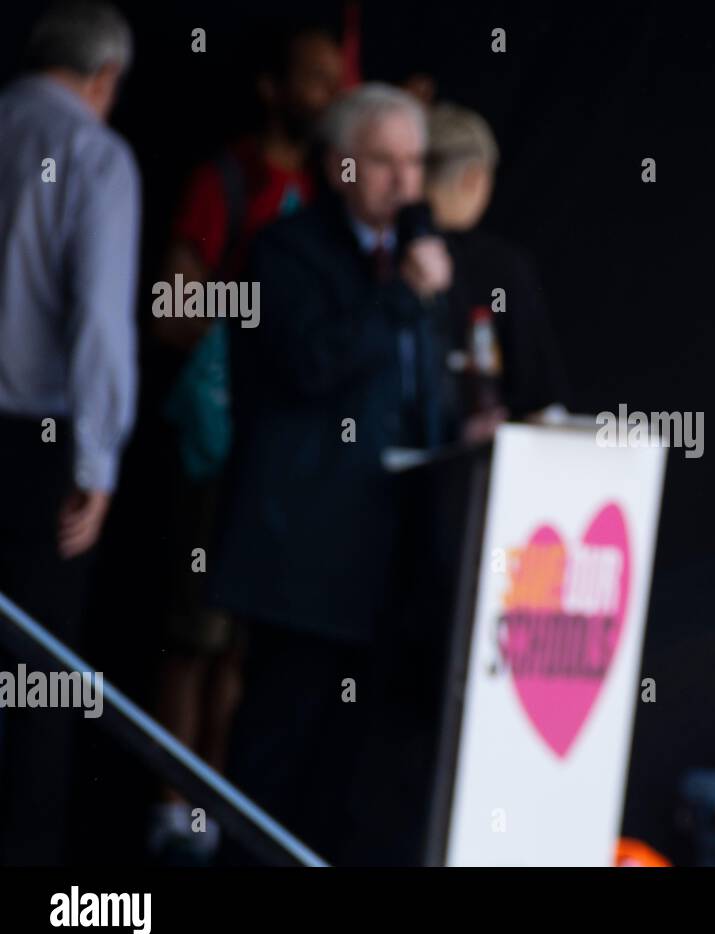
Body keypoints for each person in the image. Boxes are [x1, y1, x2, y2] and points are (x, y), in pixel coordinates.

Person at [209, 83, 457, 864]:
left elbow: (420, 390)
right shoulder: (287, 252)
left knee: (350, 773)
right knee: (276, 750)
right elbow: (311, 364)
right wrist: (403, 297)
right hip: (304, 560)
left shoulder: (418, 261)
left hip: (393, 558)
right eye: (383, 161)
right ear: (339, 166)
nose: (404, 181)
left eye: (415, 162)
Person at [147, 24, 345, 865]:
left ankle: (218, 808)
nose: (329, 98)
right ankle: (168, 811)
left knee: (247, 648)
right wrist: (254, 319)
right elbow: (169, 307)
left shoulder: (335, 196)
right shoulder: (228, 180)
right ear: (273, 88)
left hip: (294, 465)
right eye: (314, 80)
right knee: (195, 635)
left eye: (339, 83)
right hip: (219, 448)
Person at [0, 0, 140, 864]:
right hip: (36, 447)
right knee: (38, 677)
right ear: (104, 77)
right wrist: (97, 459)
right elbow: (98, 321)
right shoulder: (93, 153)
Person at [423, 103, 571, 432]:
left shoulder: (377, 250)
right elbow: (542, 399)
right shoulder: (503, 268)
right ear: (474, 178)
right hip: (474, 457)